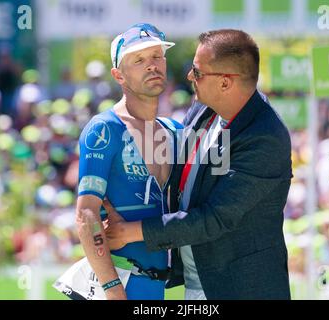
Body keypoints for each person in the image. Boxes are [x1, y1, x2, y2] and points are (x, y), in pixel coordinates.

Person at [105, 29, 293, 299]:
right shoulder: (204, 106)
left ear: (226, 83)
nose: (190, 77)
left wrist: (129, 232)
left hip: (241, 289)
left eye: (197, 72)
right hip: (197, 283)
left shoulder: (265, 137)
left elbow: (213, 218)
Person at [55, 23, 181, 300]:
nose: (152, 66)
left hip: (159, 287)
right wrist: (112, 290)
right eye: (138, 60)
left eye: (157, 57)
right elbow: (86, 213)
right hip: (119, 285)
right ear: (118, 75)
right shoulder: (104, 128)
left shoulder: (176, 131)